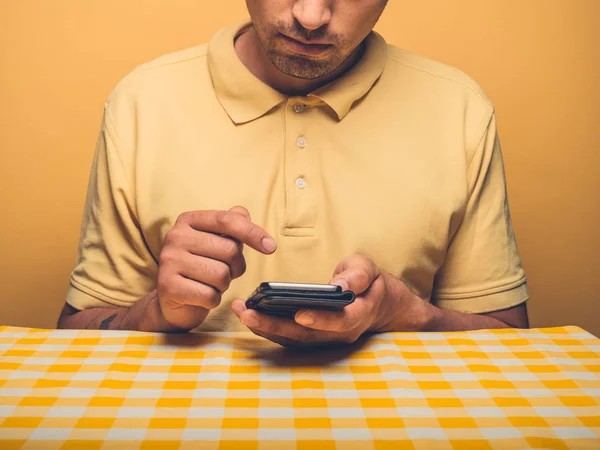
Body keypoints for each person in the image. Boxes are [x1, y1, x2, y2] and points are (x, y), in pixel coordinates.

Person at [57, 0, 530, 346]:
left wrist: (408, 315)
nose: (310, 16)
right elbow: (73, 338)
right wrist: (155, 312)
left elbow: (512, 343)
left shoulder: (459, 108)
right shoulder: (142, 102)